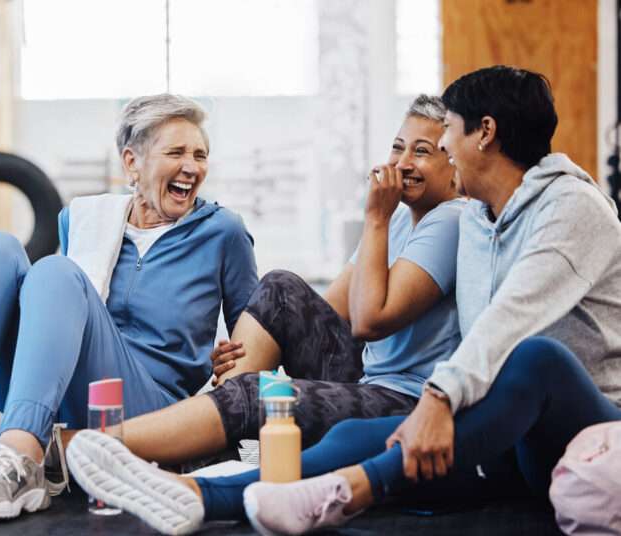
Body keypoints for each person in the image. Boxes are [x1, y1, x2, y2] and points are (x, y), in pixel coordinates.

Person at [67, 66, 621, 536]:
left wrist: (437, 400)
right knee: (351, 431)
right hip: (502, 426)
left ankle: (344, 487)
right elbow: (333, 314)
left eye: (444, 134)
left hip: (582, 425)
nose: (443, 149)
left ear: (485, 133)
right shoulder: (480, 216)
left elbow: (506, 323)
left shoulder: (572, 210)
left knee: (535, 356)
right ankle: (197, 493)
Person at [0, 94, 258, 520]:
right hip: (60, 394)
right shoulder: (83, 219)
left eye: (200, 154)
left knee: (55, 272)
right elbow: (66, 321)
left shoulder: (223, 232)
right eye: (176, 152)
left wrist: (231, 363)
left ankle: (22, 457)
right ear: (132, 163)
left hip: (151, 409)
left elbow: (258, 339)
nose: (192, 166)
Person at [63, 94, 465, 469]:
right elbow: (327, 313)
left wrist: (374, 217)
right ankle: (210, 423)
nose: (403, 162)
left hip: (405, 396)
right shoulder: (396, 220)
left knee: (255, 395)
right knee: (281, 287)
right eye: (398, 147)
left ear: (454, 167)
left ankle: (85, 447)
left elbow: (368, 321)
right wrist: (244, 349)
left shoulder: (448, 219)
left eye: (423, 152)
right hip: (365, 374)